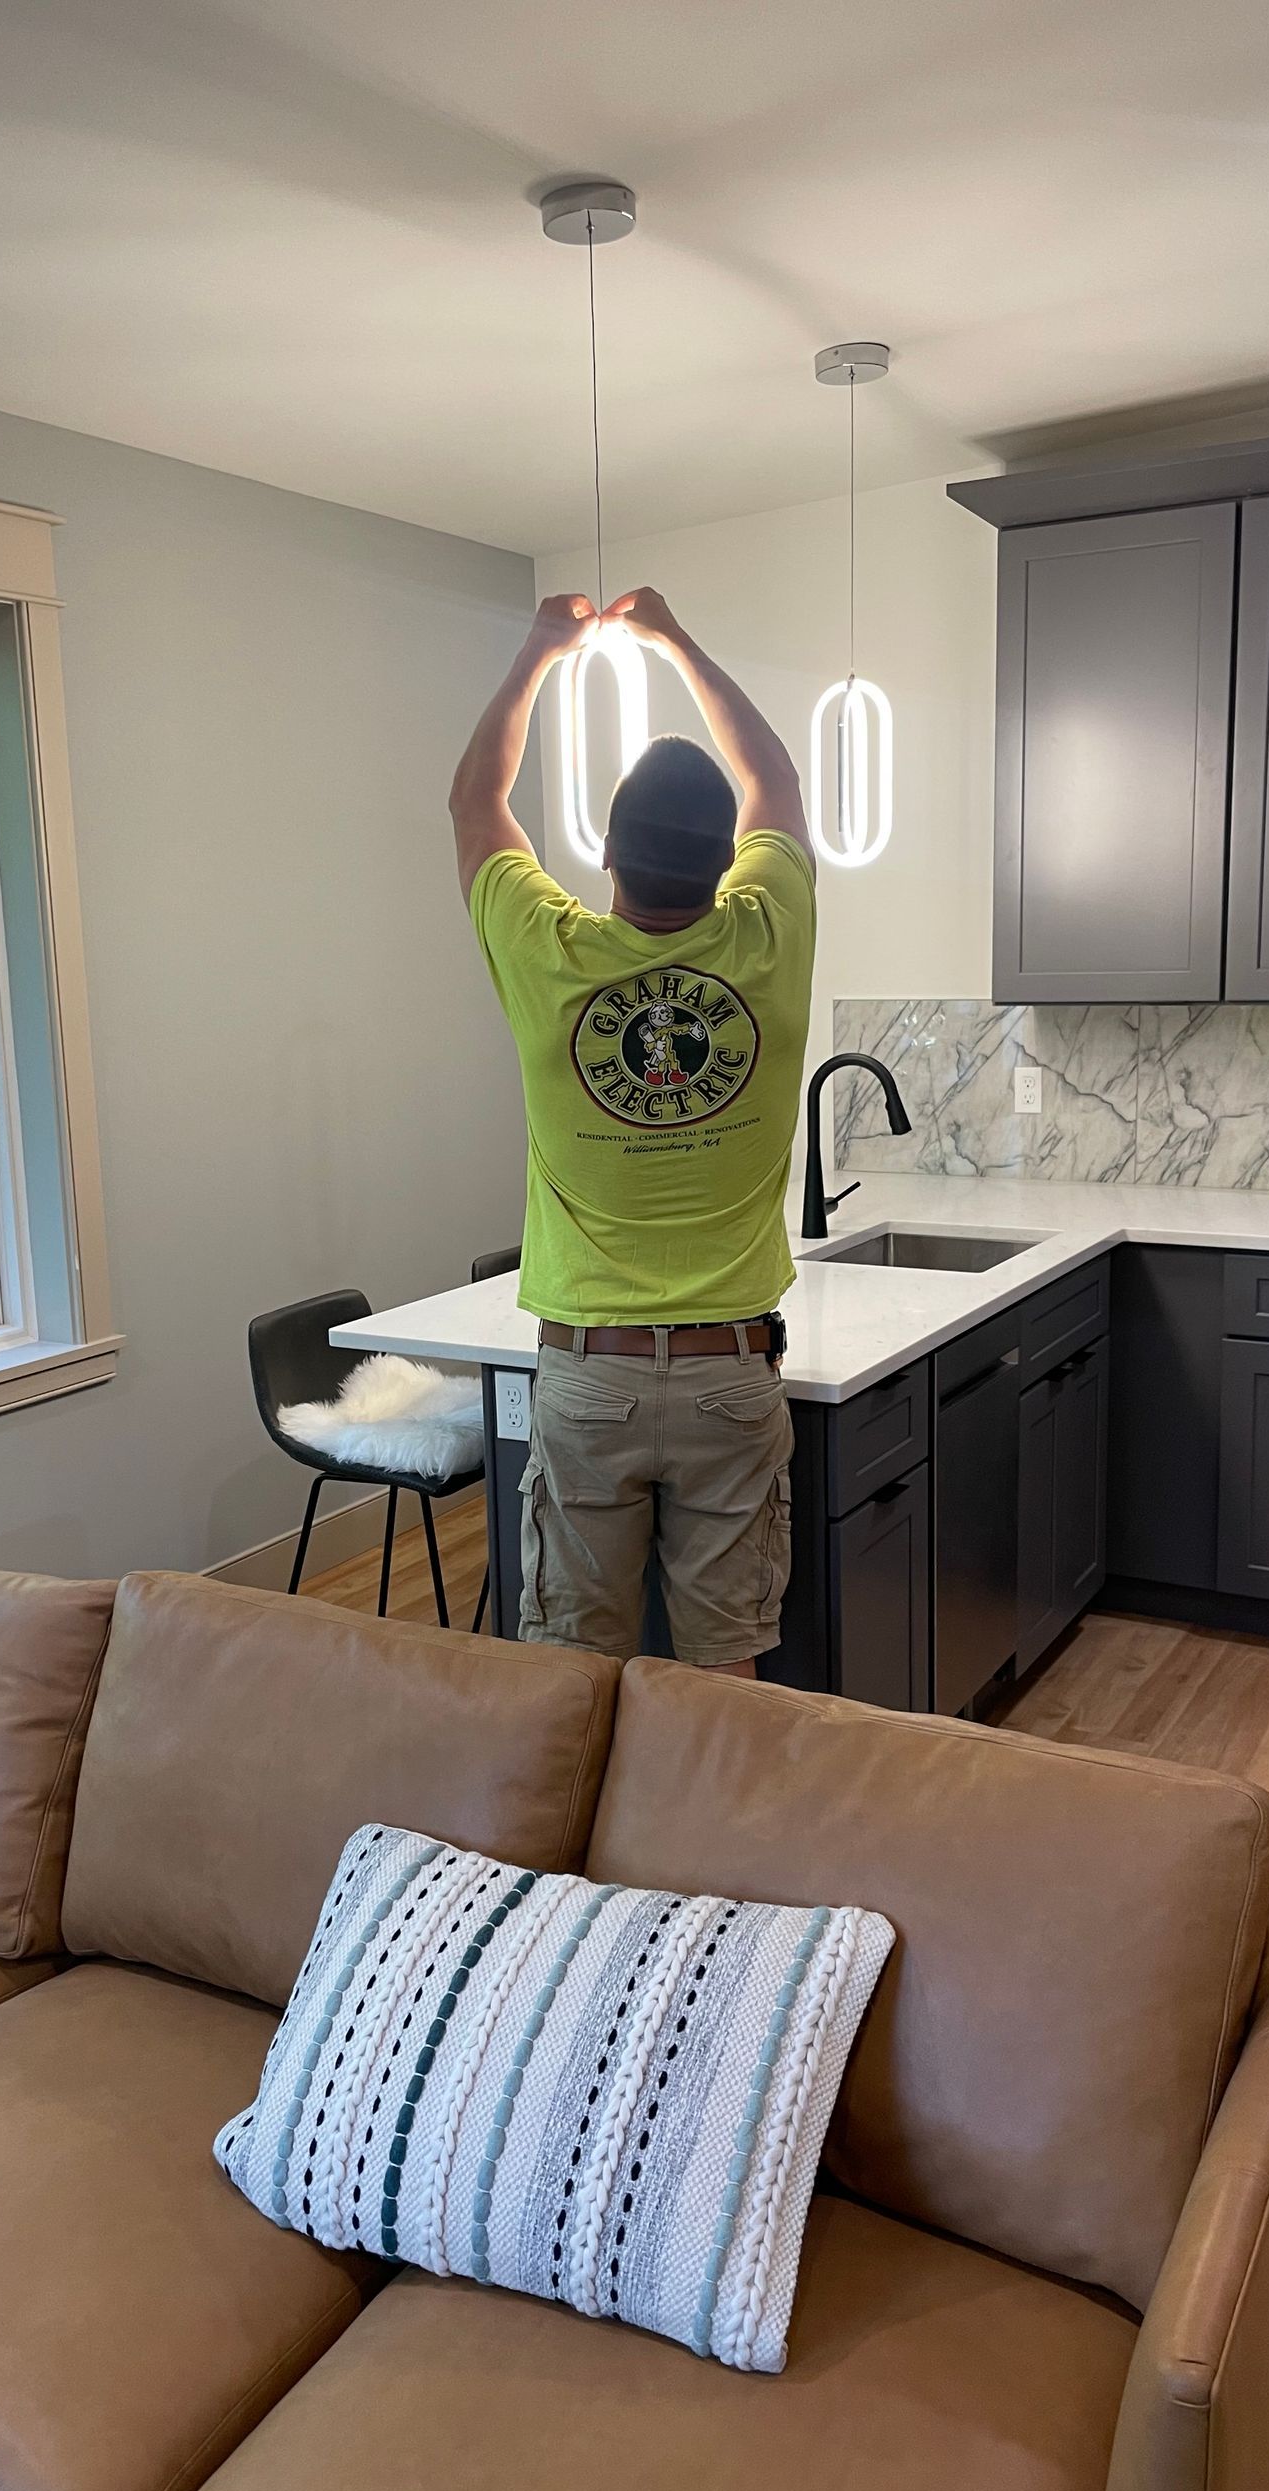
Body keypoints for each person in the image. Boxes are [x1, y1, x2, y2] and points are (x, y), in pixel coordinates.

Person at [449, 585, 817, 1676]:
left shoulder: (548, 951)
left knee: (572, 1675)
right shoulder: (770, 934)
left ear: (601, 851)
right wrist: (674, 639)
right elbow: (778, 782)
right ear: (726, 862)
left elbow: (476, 802)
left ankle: (578, 1853)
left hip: (587, 1378)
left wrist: (540, 655)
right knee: (724, 1684)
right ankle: (708, 1848)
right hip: (730, 1375)